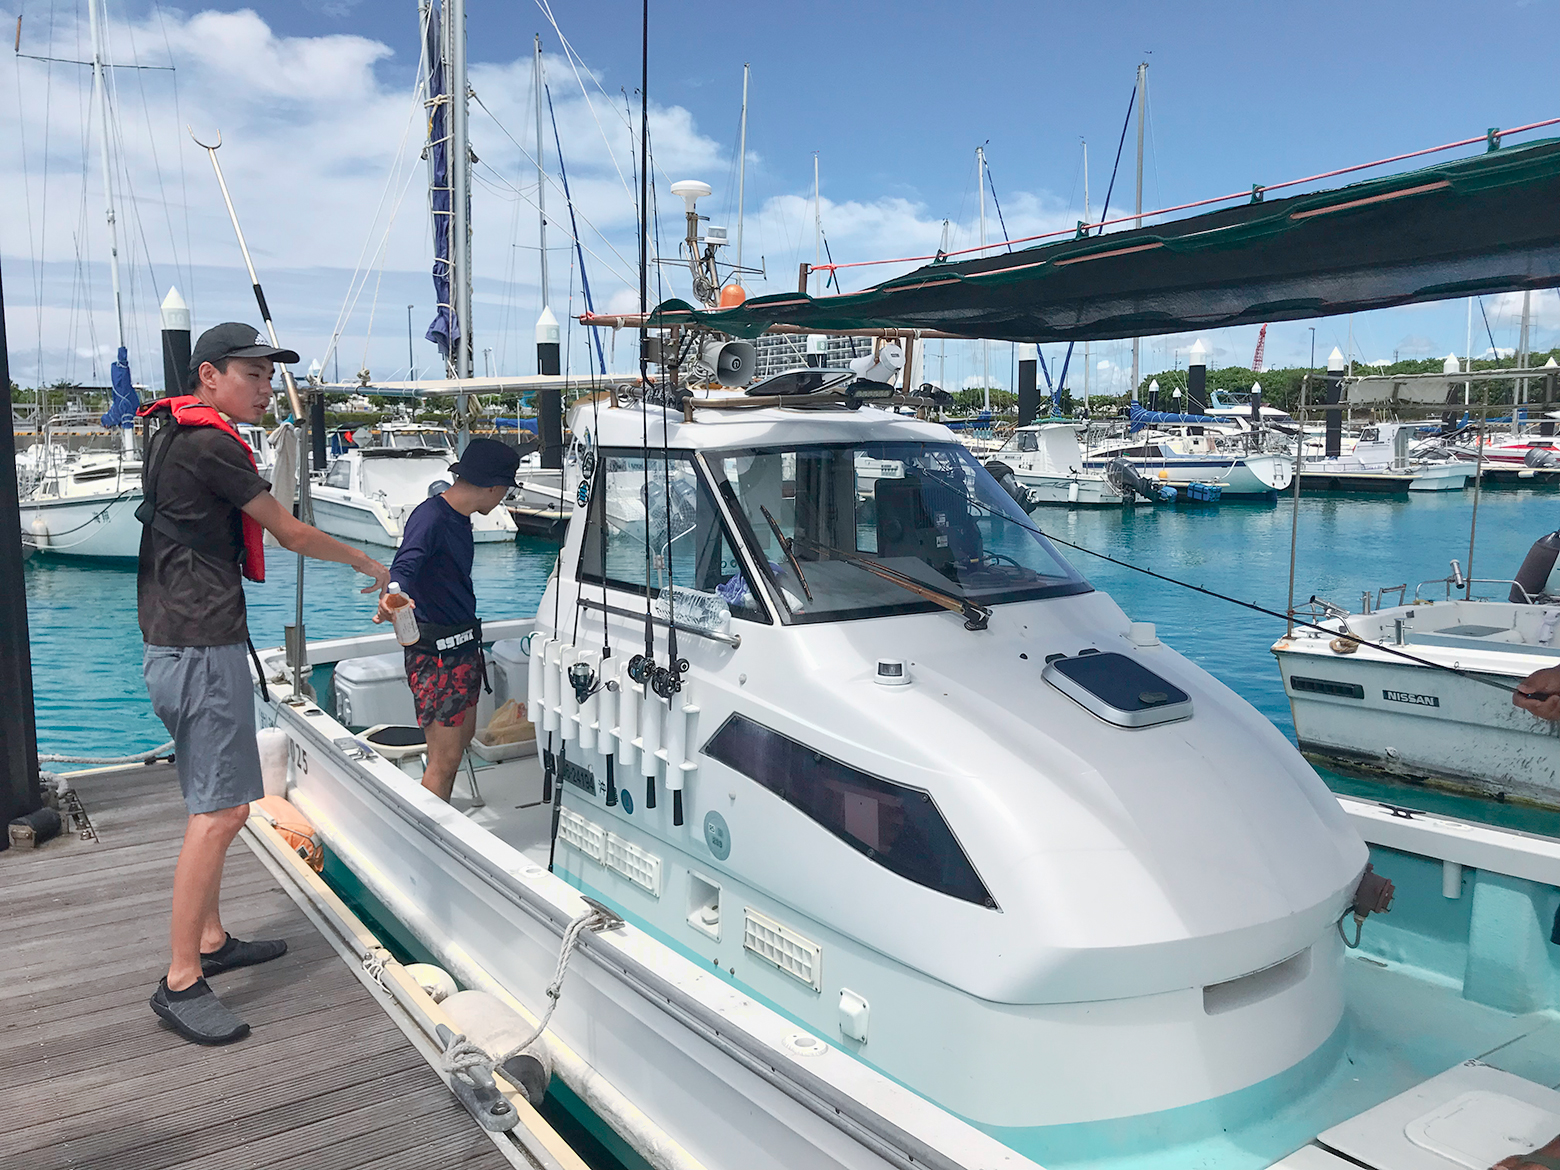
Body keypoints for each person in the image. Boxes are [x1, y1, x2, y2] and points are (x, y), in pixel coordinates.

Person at [138, 322, 390, 1045]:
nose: (263, 387)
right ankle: (182, 979)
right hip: (198, 648)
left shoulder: (173, 436)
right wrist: (370, 564)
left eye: (267, 374)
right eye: (251, 374)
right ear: (209, 377)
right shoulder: (212, 442)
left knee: (226, 804)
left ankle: (211, 937)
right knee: (217, 814)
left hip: (179, 641)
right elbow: (290, 531)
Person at [375, 437, 519, 801]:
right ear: (492, 486)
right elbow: (405, 565)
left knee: (461, 742)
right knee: (445, 759)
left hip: (462, 647)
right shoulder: (431, 516)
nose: (503, 498)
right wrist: (394, 596)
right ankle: (426, 844)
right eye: (504, 490)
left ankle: (441, 823)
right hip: (437, 657)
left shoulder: (460, 518)